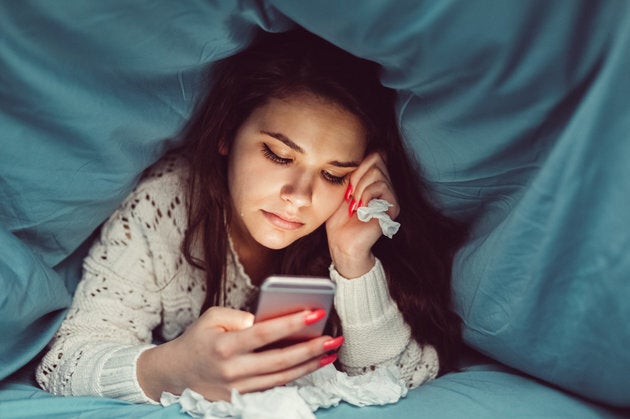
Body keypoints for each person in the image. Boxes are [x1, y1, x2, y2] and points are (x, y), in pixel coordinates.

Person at [36, 27, 466, 404]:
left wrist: (354, 261)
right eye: (278, 155)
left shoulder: (347, 224)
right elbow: (63, 362)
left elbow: (400, 376)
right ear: (226, 133)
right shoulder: (166, 204)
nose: (299, 197)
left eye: (334, 174)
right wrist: (171, 368)